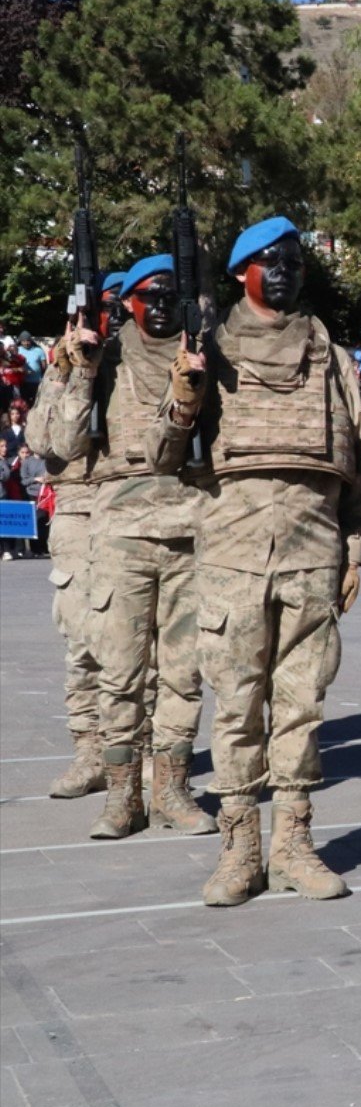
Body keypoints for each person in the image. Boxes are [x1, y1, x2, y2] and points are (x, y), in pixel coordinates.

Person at [154, 216, 361, 907]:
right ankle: (240, 846)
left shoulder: (328, 354)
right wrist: (186, 393)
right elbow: (165, 459)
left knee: (303, 703)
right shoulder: (208, 351)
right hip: (234, 554)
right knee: (239, 704)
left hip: (311, 548)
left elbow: (355, 459)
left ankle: (295, 842)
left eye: (292, 260)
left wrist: (355, 545)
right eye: (268, 260)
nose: (283, 270)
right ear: (242, 271)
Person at [53, 256, 215, 840]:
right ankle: (123, 796)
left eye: (175, 293)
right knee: (119, 672)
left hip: (190, 528)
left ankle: (172, 789)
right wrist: (80, 371)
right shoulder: (104, 351)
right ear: (128, 301)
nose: (164, 305)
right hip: (120, 532)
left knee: (182, 674)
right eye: (151, 294)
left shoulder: (205, 351)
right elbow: (59, 443)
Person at [31, 318, 105, 799]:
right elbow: (42, 440)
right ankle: (90, 754)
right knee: (82, 644)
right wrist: (64, 369)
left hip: (135, 507)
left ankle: (141, 755)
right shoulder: (65, 367)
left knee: (149, 646)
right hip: (77, 510)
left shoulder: (134, 364)